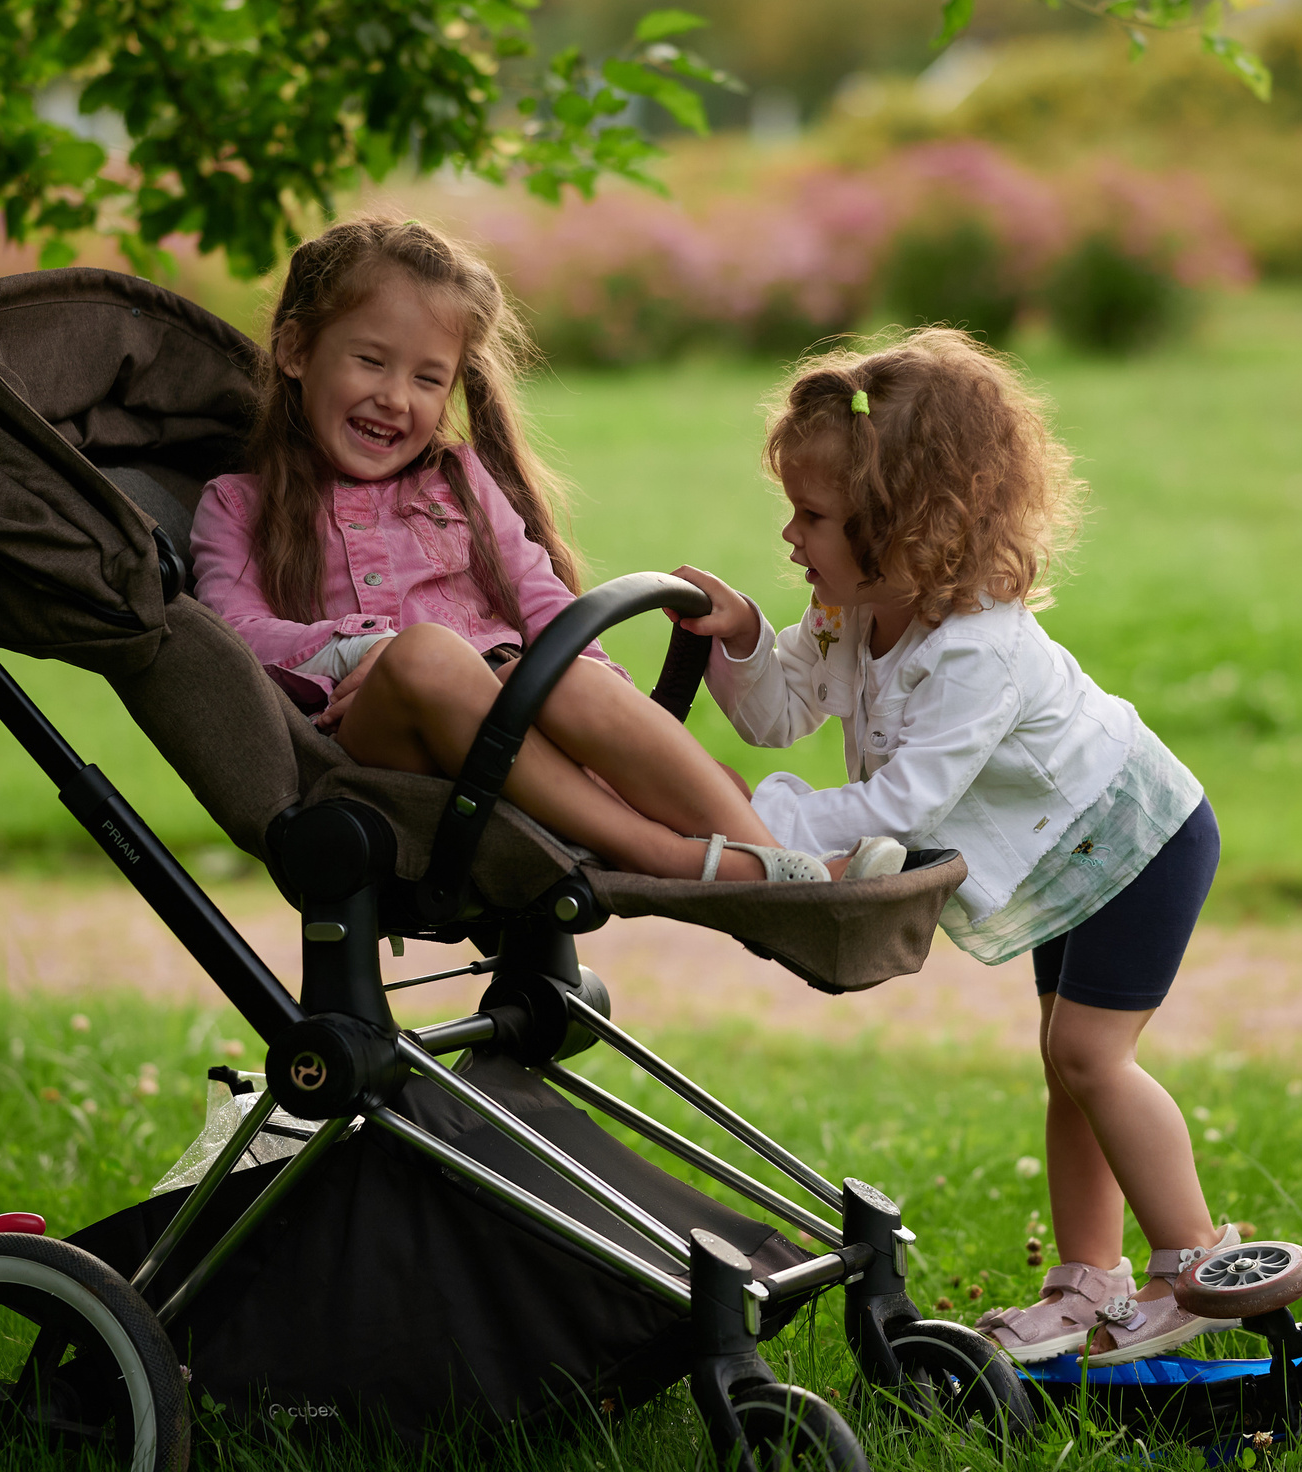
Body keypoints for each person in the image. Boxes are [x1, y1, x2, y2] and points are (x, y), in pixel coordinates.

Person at [670, 328, 1246, 1364]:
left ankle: (1194, 1265)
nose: (791, 536)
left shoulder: (976, 651)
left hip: (1135, 839)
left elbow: (906, 802)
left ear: (907, 527)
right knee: (1067, 1065)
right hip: (1067, 853)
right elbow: (777, 713)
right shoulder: (854, 609)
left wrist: (760, 829)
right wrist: (745, 634)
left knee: (1090, 1058)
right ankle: (1089, 1280)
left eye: (814, 516)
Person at [190, 216, 896, 886]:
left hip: (510, 732)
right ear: (295, 351)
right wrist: (359, 649)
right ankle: (659, 853)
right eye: (371, 362)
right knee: (426, 654)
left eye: (427, 379)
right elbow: (230, 640)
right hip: (384, 759)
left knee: (570, 669)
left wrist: (615, 725)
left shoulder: (459, 482)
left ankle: (777, 868)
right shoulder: (238, 505)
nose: (396, 398)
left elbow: (543, 602)